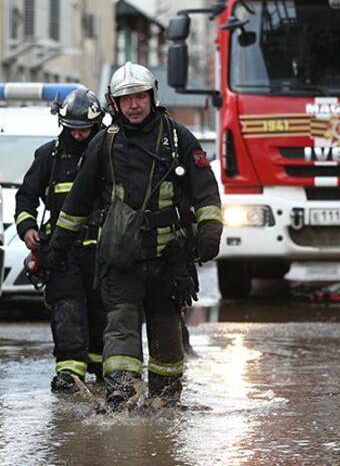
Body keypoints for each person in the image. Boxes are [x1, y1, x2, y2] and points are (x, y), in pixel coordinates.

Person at [49, 62, 223, 411]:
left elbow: (205, 191)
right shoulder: (104, 143)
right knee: (120, 325)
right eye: (126, 99)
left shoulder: (179, 138)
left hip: (168, 258)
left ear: (152, 95)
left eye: (140, 96)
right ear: (114, 102)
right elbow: (77, 201)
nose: (134, 105)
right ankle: (121, 393)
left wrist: (209, 232)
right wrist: (58, 248)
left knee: (166, 331)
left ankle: (165, 399)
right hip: (120, 257)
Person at [14, 88, 107, 393]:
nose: (79, 136)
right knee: (67, 311)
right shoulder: (49, 156)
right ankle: (69, 373)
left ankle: (107, 369)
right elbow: (26, 197)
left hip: (104, 250)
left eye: (85, 130)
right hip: (62, 252)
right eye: (73, 130)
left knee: (104, 311)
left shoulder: (110, 152)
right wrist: (27, 228)